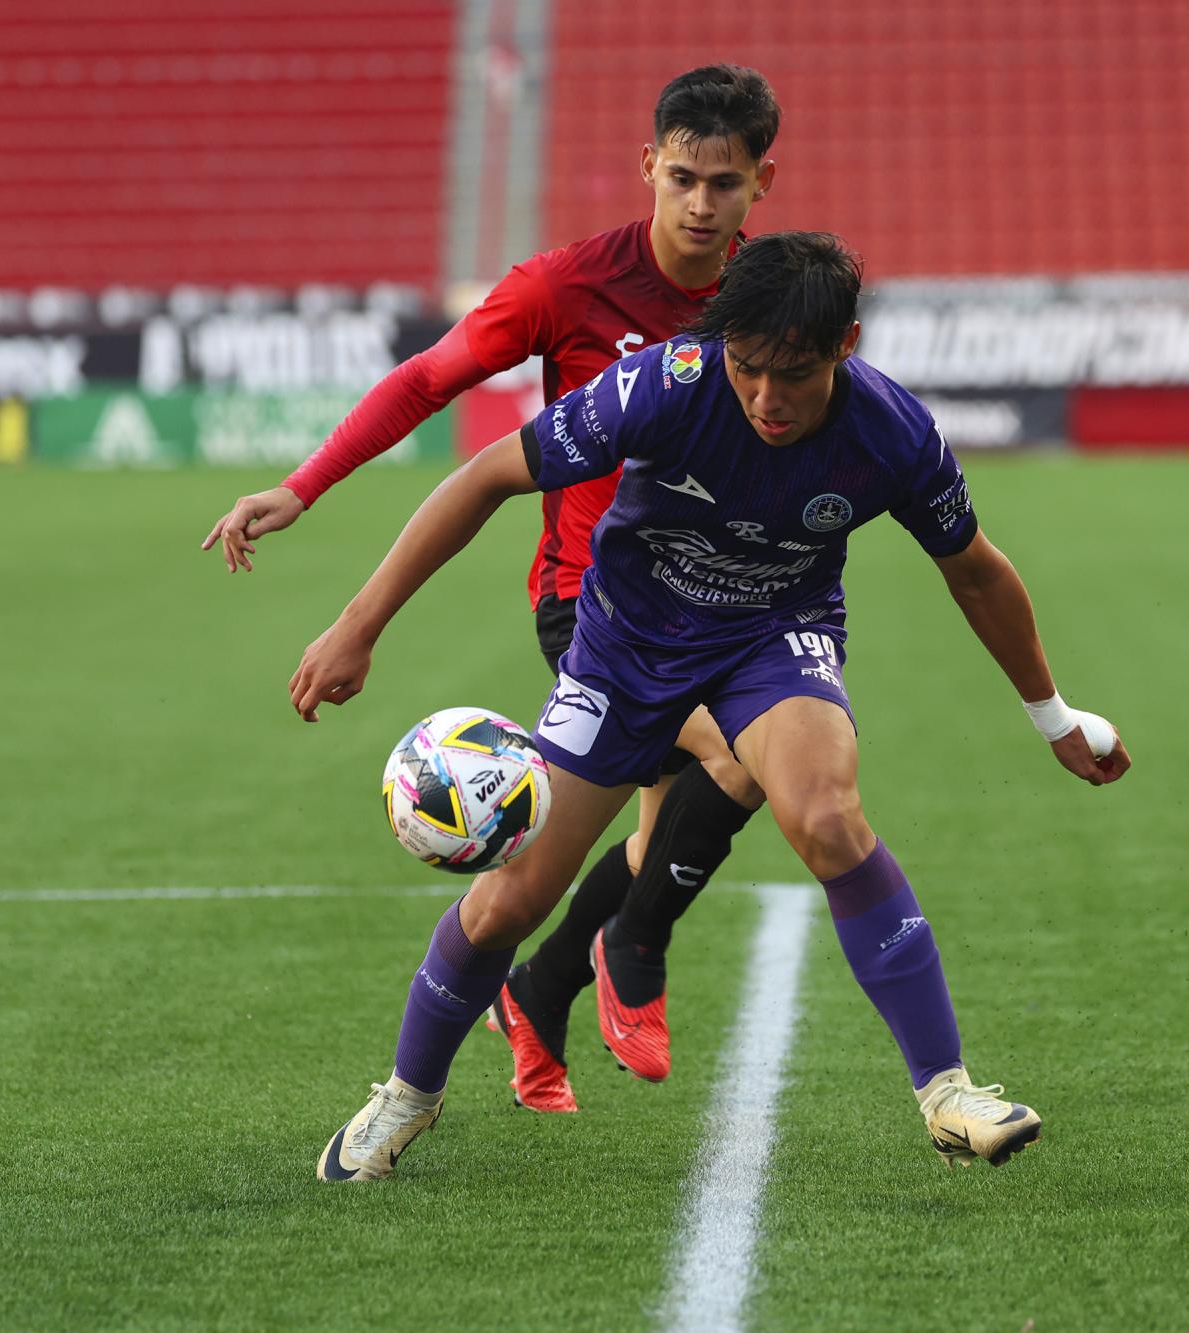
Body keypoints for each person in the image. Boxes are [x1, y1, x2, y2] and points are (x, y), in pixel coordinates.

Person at [289, 232, 1134, 1181]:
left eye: (795, 374)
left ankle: (948, 1094)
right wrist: (360, 626)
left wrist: (1054, 719)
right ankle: (407, 1095)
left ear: (845, 344)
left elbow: (976, 574)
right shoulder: (665, 383)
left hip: (773, 639)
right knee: (511, 901)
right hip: (622, 649)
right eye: (748, 369)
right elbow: (487, 475)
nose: (768, 398)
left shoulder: (894, 433)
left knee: (827, 817)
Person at [202, 66, 783, 1111]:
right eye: (683, 177)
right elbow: (429, 381)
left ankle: (543, 985)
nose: (701, 204)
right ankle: (620, 956)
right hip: (594, 606)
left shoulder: (769, 304)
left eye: (724, 184)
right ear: (647, 165)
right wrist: (304, 487)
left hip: (716, 604)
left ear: (759, 185)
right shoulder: (567, 286)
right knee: (748, 759)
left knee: (659, 839)